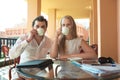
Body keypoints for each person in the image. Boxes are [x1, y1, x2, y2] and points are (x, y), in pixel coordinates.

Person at [9, 16, 52, 80]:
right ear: (33, 28)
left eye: (43, 27)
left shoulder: (48, 41)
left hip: (39, 72)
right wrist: (28, 40)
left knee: (49, 77)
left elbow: (55, 55)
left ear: (46, 29)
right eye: (37, 26)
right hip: (23, 70)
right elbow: (11, 55)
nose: (40, 28)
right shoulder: (24, 38)